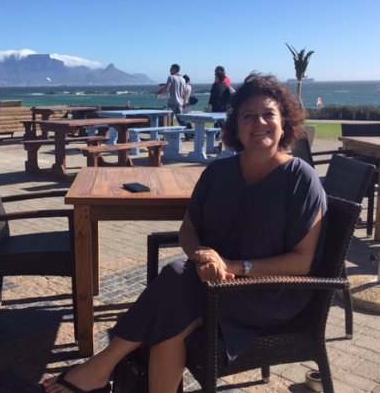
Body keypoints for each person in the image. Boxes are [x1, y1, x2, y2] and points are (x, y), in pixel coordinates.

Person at [42, 73, 326, 393]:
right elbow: (188, 229)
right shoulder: (217, 173)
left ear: (284, 122)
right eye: (248, 115)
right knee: (172, 315)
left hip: (268, 293)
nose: (259, 122)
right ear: (236, 126)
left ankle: (99, 367)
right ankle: (98, 371)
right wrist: (201, 256)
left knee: (176, 281)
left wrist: (233, 266)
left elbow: (301, 262)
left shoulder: (301, 179)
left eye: (268, 114)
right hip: (210, 283)